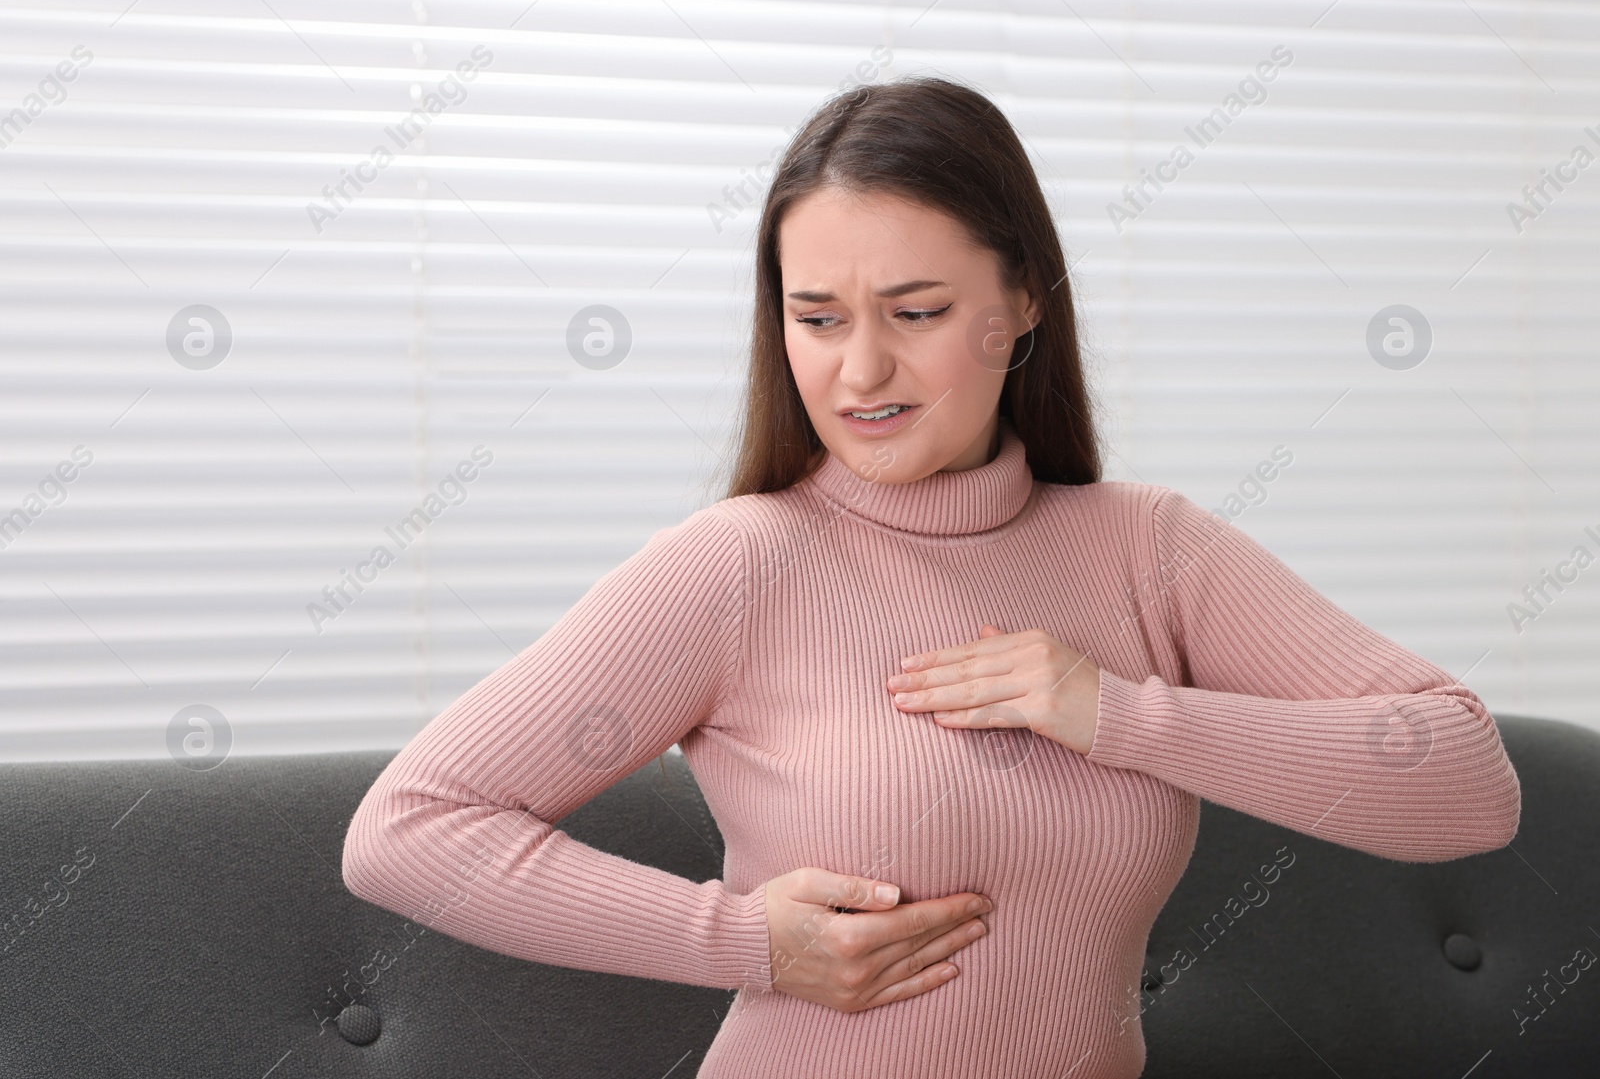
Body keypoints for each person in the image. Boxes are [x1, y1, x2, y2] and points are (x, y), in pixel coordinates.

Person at [341, 75, 1521, 1078]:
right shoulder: (740, 564)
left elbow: (1467, 781)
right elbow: (407, 828)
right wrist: (743, 939)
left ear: (1019, 306)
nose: (859, 368)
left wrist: (1115, 712)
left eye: (915, 309)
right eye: (815, 316)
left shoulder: (1147, 549)